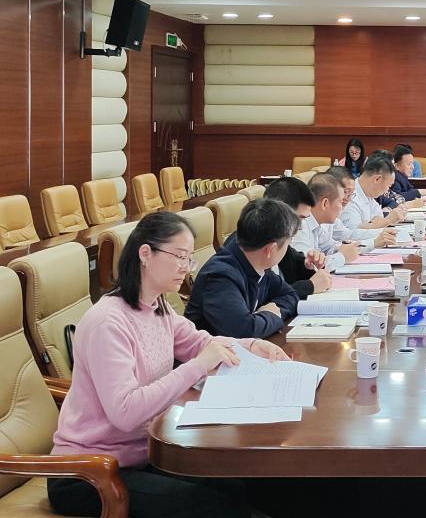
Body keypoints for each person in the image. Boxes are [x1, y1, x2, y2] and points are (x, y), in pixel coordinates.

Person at [48, 212, 288, 518]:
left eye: (189, 259)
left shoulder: (157, 306)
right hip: (88, 472)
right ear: (145, 254)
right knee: (213, 505)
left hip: (141, 453)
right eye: (179, 256)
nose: (186, 268)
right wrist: (198, 366)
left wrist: (250, 345)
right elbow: (125, 412)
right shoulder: (107, 323)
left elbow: (198, 342)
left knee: (236, 486)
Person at [184, 199, 300, 338]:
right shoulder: (220, 277)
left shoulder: (259, 264)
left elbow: (290, 295)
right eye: (287, 244)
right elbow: (245, 331)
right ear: (270, 249)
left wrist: (268, 315)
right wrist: (271, 315)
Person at [263, 176, 332, 299]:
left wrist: (310, 266)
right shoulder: (254, 244)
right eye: (299, 218)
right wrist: (309, 286)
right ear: (280, 211)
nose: (300, 227)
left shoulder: (279, 237)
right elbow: (266, 298)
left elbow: (296, 266)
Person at [292, 172, 361, 271]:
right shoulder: (300, 226)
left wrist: (342, 248)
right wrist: (342, 257)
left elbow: (327, 246)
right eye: (340, 202)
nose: (341, 208)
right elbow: (306, 268)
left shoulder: (318, 222)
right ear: (325, 203)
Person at [327, 168, 398, 248]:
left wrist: (382, 233)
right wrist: (387, 222)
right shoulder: (323, 218)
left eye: (351, 193)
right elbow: (347, 236)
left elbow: (348, 234)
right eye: (346, 192)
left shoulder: (369, 195)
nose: (348, 198)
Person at [340, 152, 408, 231]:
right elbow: (353, 232)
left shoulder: (369, 196)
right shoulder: (349, 195)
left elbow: (378, 221)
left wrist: (391, 219)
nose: (387, 190)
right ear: (377, 179)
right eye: (389, 186)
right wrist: (388, 220)